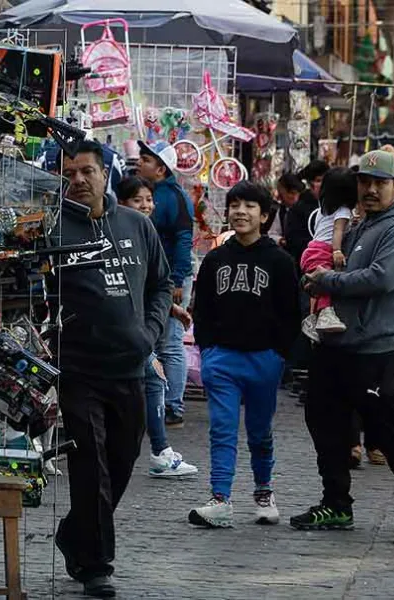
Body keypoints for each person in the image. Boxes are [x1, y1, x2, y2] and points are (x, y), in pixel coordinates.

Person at [293, 150, 394, 532]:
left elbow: (380, 279)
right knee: (324, 421)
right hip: (335, 343)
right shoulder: (359, 223)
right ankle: (336, 503)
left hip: (374, 349)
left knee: (383, 427)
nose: (371, 190)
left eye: (380, 183)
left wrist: (326, 280)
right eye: (365, 182)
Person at [51, 141, 172, 598]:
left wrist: (151, 331)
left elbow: (161, 284)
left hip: (131, 369)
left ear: (105, 174)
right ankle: (97, 564)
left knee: (123, 460)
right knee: (92, 466)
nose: (78, 180)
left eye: (86, 171)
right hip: (77, 370)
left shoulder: (138, 225)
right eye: (70, 174)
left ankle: (74, 533)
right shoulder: (53, 230)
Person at [186, 181, 300, 528]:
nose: (241, 211)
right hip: (222, 359)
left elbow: (291, 312)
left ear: (264, 215)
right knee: (222, 429)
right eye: (235, 204)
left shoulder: (279, 261)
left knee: (259, 431)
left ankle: (263, 490)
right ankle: (220, 497)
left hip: (264, 359)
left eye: (250, 206)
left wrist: (279, 354)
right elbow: (201, 308)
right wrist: (208, 350)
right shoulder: (216, 259)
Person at [117, 175, 199, 478]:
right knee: (152, 377)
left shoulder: (144, 230)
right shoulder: (123, 232)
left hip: (138, 326)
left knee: (150, 380)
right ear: (122, 202)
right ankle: (158, 452)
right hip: (123, 327)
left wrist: (172, 308)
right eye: (138, 200)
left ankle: (156, 450)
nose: (146, 206)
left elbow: (152, 283)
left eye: (149, 200)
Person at [134, 140, 194, 428]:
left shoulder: (174, 197)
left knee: (170, 342)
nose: (139, 162)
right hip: (157, 278)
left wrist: (178, 279)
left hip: (171, 279)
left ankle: (173, 406)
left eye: (145, 159)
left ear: (160, 168)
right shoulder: (154, 194)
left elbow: (184, 239)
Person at [299, 169, 357, 340]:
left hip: (311, 251)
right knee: (326, 285)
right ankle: (324, 315)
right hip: (323, 251)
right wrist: (337, 250)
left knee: (319, 286)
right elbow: (337, 231)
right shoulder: (343, 211)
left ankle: (312, 320)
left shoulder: (323, 211)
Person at [284, 160, 329, 267]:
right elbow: (293, 241)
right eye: (318, 180)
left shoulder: (335, 205)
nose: (323, 185)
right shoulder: (298, 209)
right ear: (310, 184)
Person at [264, 173, 300, 244]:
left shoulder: (304, 211)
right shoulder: (280, 211)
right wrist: (281, 240)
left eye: (294, 193)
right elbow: (273, 233)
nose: (280, 196)